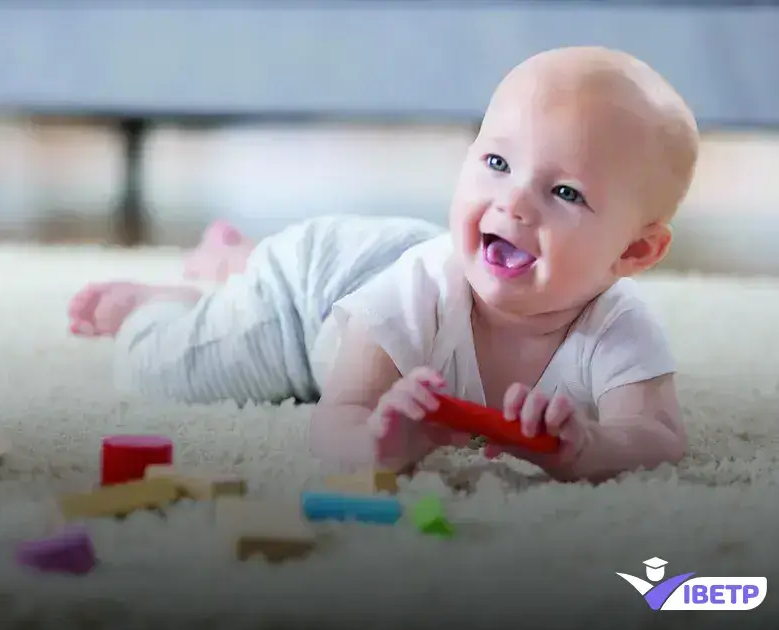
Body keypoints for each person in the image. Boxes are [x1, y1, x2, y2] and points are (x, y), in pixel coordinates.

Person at [68, 46, 699, 483]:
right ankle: (169, 299)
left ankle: (236, 260)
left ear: (633, 252)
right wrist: (377, 444)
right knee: (163, 368)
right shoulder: (417, 293)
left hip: (386, 252)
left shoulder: (616, 325)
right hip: (311, 294)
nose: (512, 203)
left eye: (565, 193)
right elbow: (335, 420)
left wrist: (591, 448)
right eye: (497, 164)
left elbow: (657, 435)